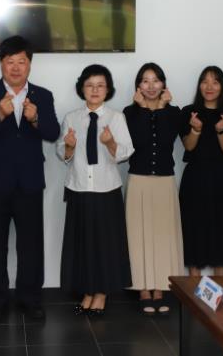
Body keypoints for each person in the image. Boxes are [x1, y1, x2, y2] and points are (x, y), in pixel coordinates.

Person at [0, 35, 60, 323]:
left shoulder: (43, 95)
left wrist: (35, 119)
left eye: (22, 61)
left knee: (31, 245)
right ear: (1, 64)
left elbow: (53, 133)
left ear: (30, 64)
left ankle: (30, 299)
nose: (16, 67)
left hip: (30, 182)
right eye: (10, 62)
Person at [58, 64, 134, 316]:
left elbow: (125, 153)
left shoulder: (116, 118)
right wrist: (69, 146)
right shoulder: (71, 118)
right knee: (83, 245)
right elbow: (63, 153)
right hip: (79, 188)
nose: (95, 90)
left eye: (100, 85)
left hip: (106, 190)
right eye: (89, 85)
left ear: (108, 90)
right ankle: (87, 291)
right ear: (82, 88)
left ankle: (101, 293)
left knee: (105, 245)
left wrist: (110, 142)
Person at [123, 63, 184, 314]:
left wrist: (160, 109)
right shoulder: (130, 112)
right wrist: (143, 110)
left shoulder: (174, 112)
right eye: (145, 81)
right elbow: (138, 141)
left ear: (163, 84)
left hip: (164, 181)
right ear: (138, 85)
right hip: (138, 180)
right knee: (138, 236)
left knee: (162, 235)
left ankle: (160, 287)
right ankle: (143, 288)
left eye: (155, 80)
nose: (150, 86)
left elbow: (168, 139)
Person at [179, 66, 223, 277]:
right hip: (195, 178)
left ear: (222, 86)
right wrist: (196, 129)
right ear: (199, 85)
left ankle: (220, 288)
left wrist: (221, 131)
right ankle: (192, 287)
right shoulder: (188, 112)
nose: (209, 86)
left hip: (222, 178)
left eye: (215, 82)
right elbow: (189, 146)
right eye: (205, 81)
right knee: (193, 229)